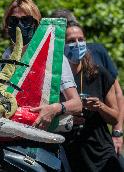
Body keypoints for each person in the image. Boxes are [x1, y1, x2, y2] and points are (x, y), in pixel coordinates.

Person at [0, 0, 82, 172]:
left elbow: (76, 104)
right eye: (13, 20)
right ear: (6, 25)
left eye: (26, 20)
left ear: (37, 24)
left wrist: (54, 109)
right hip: (5, 150)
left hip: (42, 148)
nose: (19, 25)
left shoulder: (55, 60)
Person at [51, 9, 124, 156]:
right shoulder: (51, 74)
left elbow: (117, 94)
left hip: (100, 149)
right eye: (70, 41)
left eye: (81, 39)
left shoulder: (98, 65)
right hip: (67, 151)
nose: (77, 45)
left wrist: (117, 132)